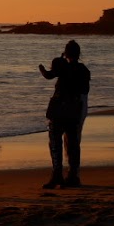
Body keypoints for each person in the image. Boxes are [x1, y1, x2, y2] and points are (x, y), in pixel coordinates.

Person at [39, 40, 91, 189]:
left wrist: (41, 68)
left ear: (66, 53)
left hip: (58, 110)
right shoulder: (84, 70)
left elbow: (48, 75)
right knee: (73, 144)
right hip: (74, 111)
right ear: (79, 54)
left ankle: (57, 176)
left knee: (55, 143)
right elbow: (84, 91)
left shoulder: (61, 66)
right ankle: (73, 176)